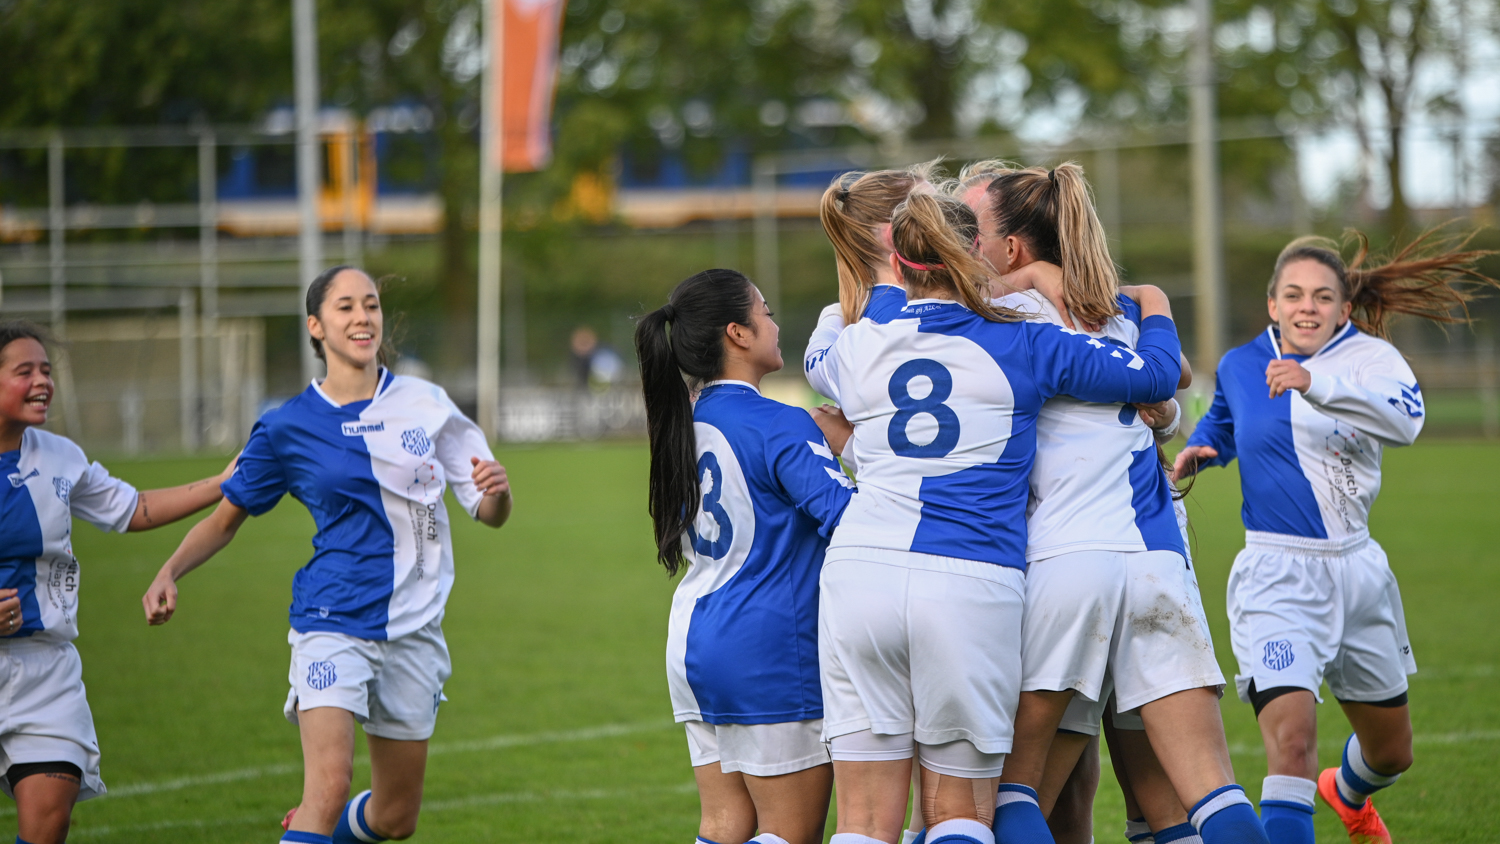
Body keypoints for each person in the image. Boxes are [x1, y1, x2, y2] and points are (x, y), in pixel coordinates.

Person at [810, 191, 1187, 844]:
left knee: (864, 822)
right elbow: (1157, 377)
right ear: (975, 255)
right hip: (967, 581)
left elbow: (821, 359)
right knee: (961, 811)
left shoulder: (857, 344)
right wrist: (1154, 305)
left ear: (899, 265)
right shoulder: (1025, 341)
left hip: (858, 576)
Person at [141, 266, 513, 844]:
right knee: (329, 787)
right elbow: (224, 519)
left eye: (371, 305)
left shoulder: (427, 403)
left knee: (394, 818)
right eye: (346, 307)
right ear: (316, 326)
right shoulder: (286, 426)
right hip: (331, 618)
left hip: (416, 627)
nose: (363, 317)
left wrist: (499, 492)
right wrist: (169, 570)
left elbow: (487, 511)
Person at [1174, 231, 1498, 844]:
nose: (1307, 307)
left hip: (1358, 572)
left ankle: (1346, 792)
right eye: (1294, 295)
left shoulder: (1371, 360)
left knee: (1392, 753)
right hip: (1276, 574)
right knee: (1292, 744)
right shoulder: (1242, 364)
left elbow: (1405, 422)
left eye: (1323, 297)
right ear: (1272, 304)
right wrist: (1204, 447)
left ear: (1344, 308)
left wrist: (1311, 382)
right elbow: (1224, 420)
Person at [977, 164, 1258, 844]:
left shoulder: (997, 321)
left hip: (1065, 562)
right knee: (1208, 795)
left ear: (1012, 247)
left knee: (1010, 797)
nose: (963, 247)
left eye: (973, 234)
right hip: (1155, 562)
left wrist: (1028, 281)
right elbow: (1174, 375)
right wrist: (1145, 302)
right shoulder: (1124, 313)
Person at [635, 268, 854, 844]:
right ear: (737, 333)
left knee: (724, 826)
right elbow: (851, 522)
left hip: (695, 642)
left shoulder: (682, 421)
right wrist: (856, 448)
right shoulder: (778, 421)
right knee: (789, 833)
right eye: (766, 313)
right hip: (769, 647)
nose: (775, 325)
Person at [0, 319, 234, 844]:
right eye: (24, 371)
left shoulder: (59, 456)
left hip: (46, 670)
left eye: (46, 370)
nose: (42, 382)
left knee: (49, 819)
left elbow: (133, 508)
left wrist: (221, 483)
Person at [804, 165, 940, 400]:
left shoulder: (867, 311)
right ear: (894, 235)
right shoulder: (911, 316)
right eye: (936, 211)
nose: (952, 221)